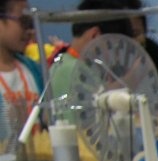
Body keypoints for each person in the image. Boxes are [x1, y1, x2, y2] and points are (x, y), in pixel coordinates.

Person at [48, 0, 133, 105]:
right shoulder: (74, 71)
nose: (116, 58)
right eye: (115, 48)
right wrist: (132, 78)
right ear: (95, 35)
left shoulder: (69, 64)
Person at [0, 0, 43, 150]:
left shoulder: (33, 70)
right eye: (24, 22)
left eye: (32, 24)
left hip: (39, 159)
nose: (31, 31)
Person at [121, 0, 158, 88]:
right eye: (126, 35)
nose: (132, 42)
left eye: (135, 34)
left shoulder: (154, 51)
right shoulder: (112, 59)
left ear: (145, 30)